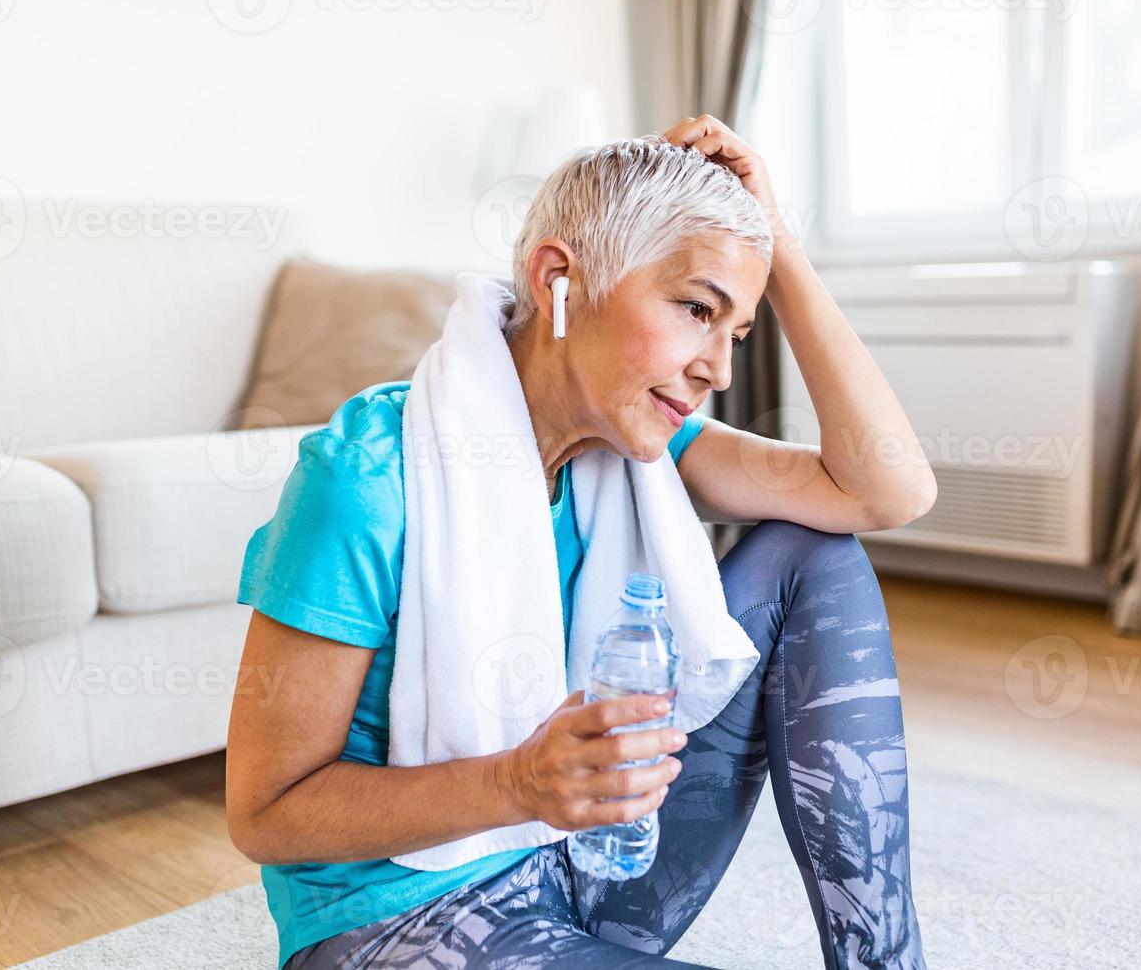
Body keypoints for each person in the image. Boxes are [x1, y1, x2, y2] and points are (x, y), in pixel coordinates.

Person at [226, 115, 936, 969]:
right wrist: (517, 783)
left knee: (812, 558)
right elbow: (264, 813)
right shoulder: (367, 478)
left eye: (737, 331)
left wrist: (775, 244)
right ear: (561, 279)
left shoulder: (636, 444)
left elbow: (887, 489)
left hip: (593, 858)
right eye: (695, 309)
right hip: (400, 919)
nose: (721, 368)